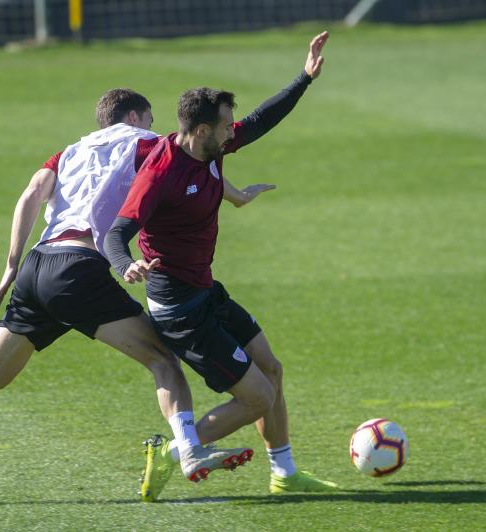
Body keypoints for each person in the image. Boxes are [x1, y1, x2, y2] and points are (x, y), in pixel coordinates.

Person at [0, 89, 252, 494]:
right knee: (163, 360)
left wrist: (11, 266)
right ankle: (189, 451)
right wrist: (238, 196)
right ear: (134, 117)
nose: (155, 128)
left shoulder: (69, 152)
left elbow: (32, 194)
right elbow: (187, 164)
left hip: (37, 266)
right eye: (150, 119)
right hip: (78, 271)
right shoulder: (147, 143)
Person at [104, 31, 339, 501]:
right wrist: (126, 265)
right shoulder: (161, 174)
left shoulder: (212, 148)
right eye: (226, 126)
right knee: (258, 396)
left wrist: (305, 78)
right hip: (179, 310)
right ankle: (175, 452)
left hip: (206, 290)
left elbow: (261, 120)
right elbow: (116, 233)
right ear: (202, 130)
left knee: (271, 369)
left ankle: (284, 473)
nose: (234, 132)